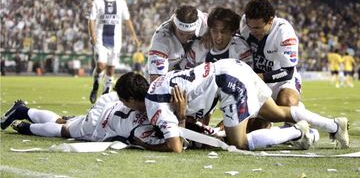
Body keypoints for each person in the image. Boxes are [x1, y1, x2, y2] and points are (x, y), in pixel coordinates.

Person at [140, 59, 349, 153]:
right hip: (232, 66)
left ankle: (297, 133)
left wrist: (182, 117)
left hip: (227, 81)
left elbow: (177, 145)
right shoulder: (160, 83)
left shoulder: (154, 103)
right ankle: (335, 126)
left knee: (239, 142)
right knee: (276, 112)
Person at [0, 74, 181, 152]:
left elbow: (111, 98)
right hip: (100, 123)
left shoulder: (142, 105)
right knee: (65, 130)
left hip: (106, 115)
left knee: (62, 122)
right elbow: (175, 142)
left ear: (132, 99)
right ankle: (25, 122)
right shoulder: (154, 102)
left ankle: (22, 111)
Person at [239, 0, 302, 108]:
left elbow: (287, 72)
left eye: (258, 28)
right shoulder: (244, 22)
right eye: (250, 27)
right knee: (257, 124)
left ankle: (299, 112)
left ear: (270, 20)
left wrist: (254, 77)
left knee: (287, 102)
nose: (253, 31)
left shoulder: (284, 31)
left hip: (281, 81)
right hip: (257, 81)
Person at [88, 0, 140, 104]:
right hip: (101, 38)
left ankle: (105, 93)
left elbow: (127, 20)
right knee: (101, 65)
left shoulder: (121, 3)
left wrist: (134, 36)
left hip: (116, 40)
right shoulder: (97, 2)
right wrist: (92, 34)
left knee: (111, 69)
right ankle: (96, 83)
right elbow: (91, 20)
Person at [147, 5, 208, 83]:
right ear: (174, 25)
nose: (185, 39)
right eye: (181, 34)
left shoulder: (202, 20)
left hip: (191, 66)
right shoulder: (161, 40)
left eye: (190, 34)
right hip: (168, 74)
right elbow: (155, 79)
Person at [180, 7, 252, 69]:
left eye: (224, 32)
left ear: (232, 32)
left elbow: (245, 79)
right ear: (209, 30)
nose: (219, 37)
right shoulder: (197, 47)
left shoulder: (242, 51)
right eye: (214, 31)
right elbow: (185, 74)